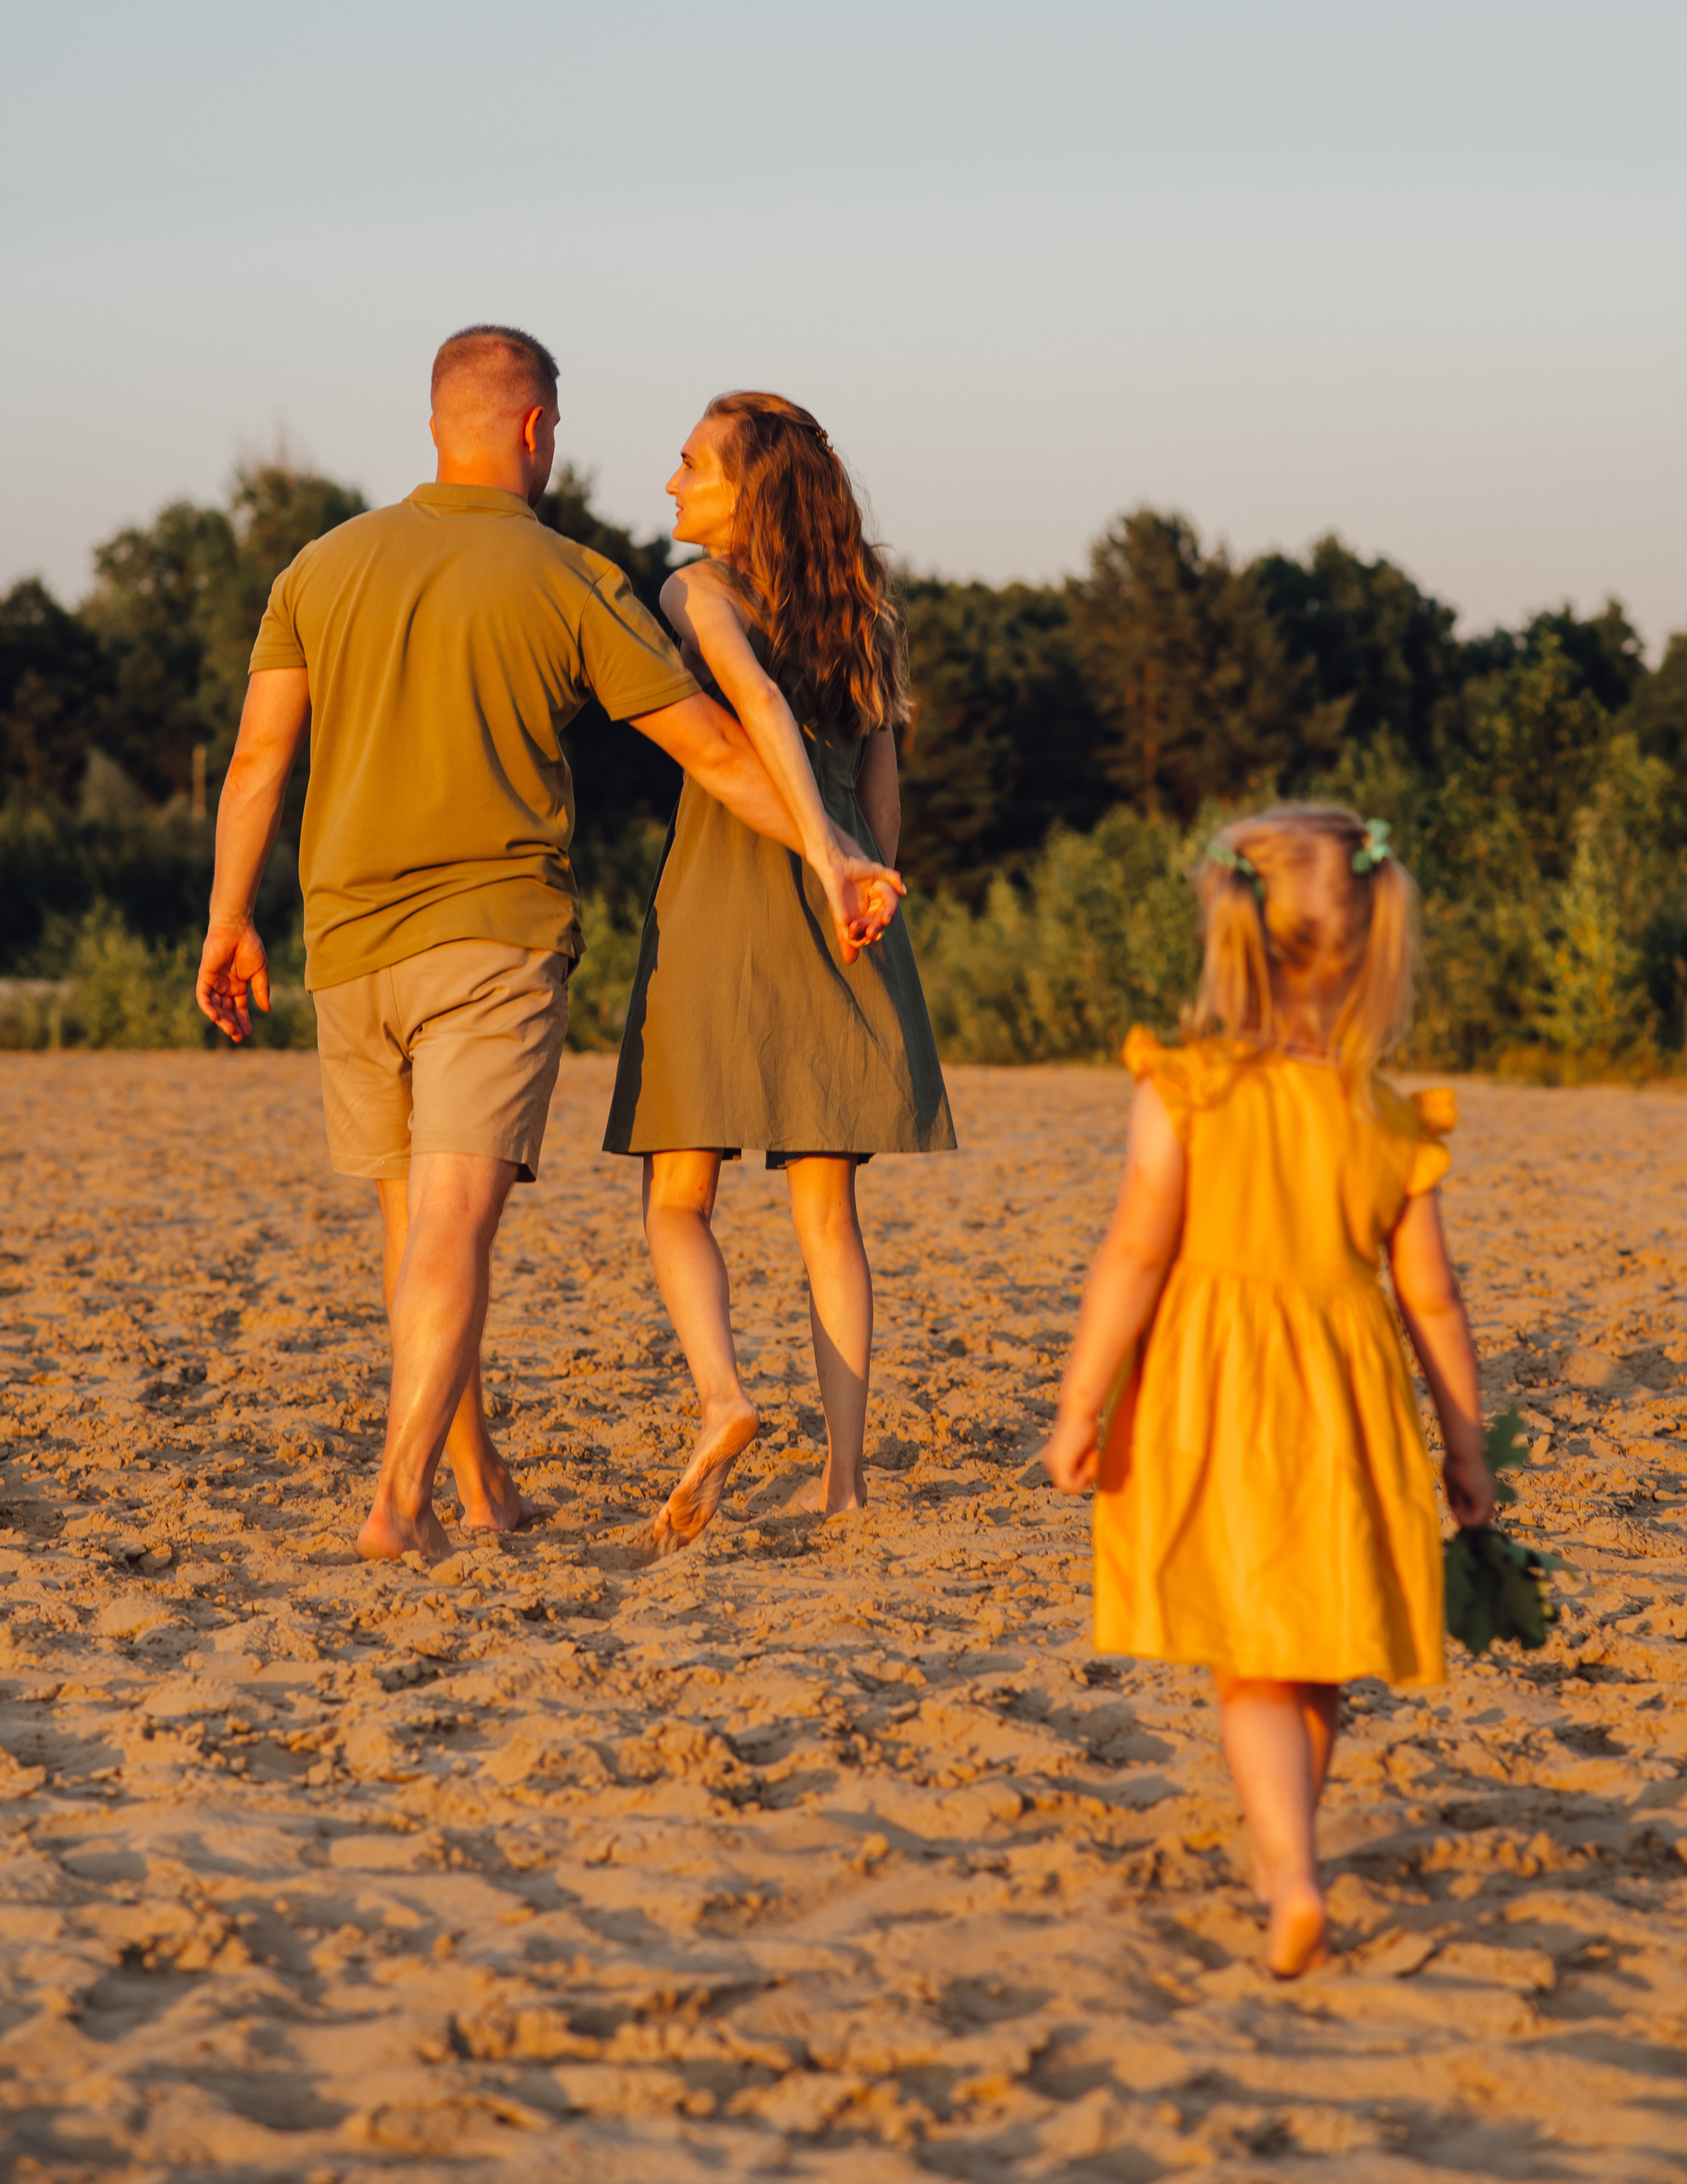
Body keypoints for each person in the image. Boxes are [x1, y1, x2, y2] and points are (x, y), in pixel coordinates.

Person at [194, 328, 901, 1566]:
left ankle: (480, 1487)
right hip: (493, 942)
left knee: (415, 1231)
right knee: (456, 1232)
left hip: (347, 947)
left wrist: (227, 916)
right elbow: (721, 752)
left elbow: (258, 757)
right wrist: (832, 850)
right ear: (536, 429)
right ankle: (400, 1500)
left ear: (435, 423)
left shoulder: (319, 566)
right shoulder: (574, 579)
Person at [1043, 805, 1497, 1978]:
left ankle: (1290, 1871)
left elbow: (1134, 1254)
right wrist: (1467, 1448)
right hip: (1348, 1406)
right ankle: (1288, 1838)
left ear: (1228, 936)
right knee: (1317, 1649)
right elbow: (1434, 1301)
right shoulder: (1390, 1119)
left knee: (1251, 1653)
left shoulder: (1186, 1090)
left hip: (1217, 1399)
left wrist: (1078, 1403)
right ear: (1371, 947)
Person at [604, 391, 956, 1551]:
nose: (670, 484)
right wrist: (862, 882)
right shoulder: (866, 620)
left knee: (676, 1197)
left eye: (690, 464)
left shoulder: (695, 590)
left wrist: (820, 855)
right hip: (848, 916)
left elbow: (752, 710)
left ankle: (725, 1394)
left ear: (747, 490)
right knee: (828, 1212)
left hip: (726, 898)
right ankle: (845, 1479)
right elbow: (889, 796)